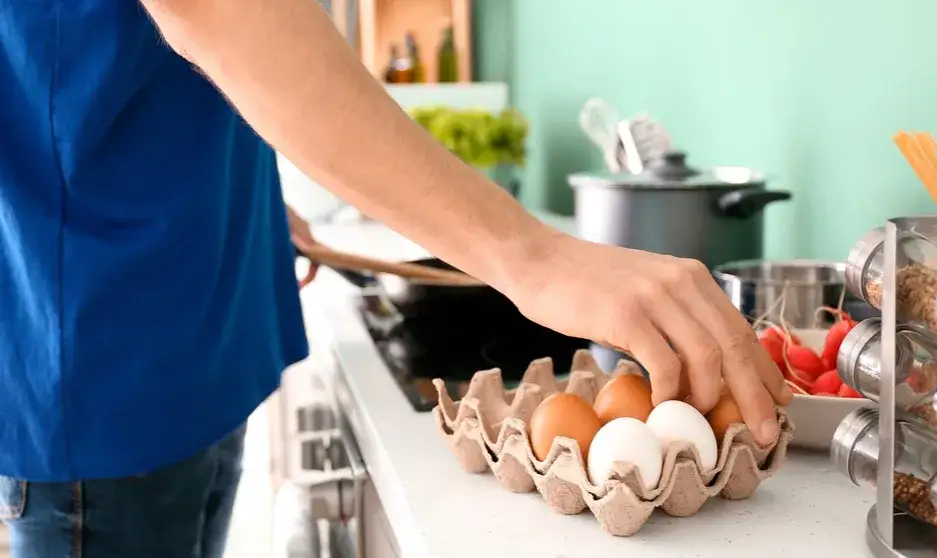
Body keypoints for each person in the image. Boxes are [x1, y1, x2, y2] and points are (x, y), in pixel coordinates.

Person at [0, 0, 792, 556]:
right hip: (106, 353)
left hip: (195, 316)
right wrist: (536, 256)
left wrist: (236, 193)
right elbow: (215, 11)